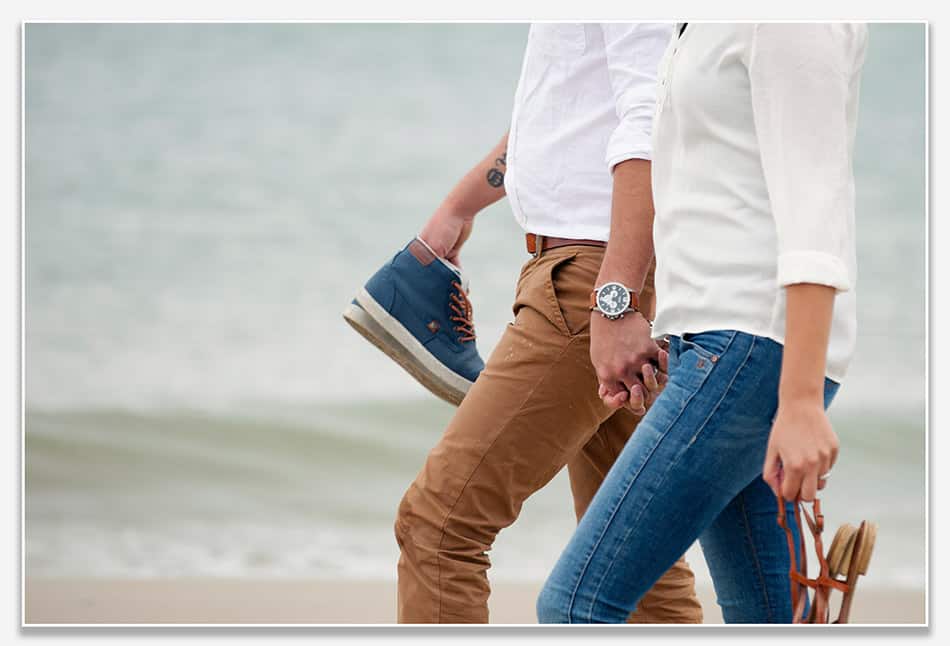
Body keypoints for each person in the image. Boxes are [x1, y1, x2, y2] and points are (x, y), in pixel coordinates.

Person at [344, 23, 703, 623]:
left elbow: (651, 115)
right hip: (592, 267)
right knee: (633, 559)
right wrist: (458, 207)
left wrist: (613, 301)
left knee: (439, 526)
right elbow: (571, 108)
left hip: (594, 276)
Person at [536, 22, 868, 624]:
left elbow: (816, 209)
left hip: (751, 346)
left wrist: (798, 402)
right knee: (769, 620)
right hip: (719, 346)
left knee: (575, 608)